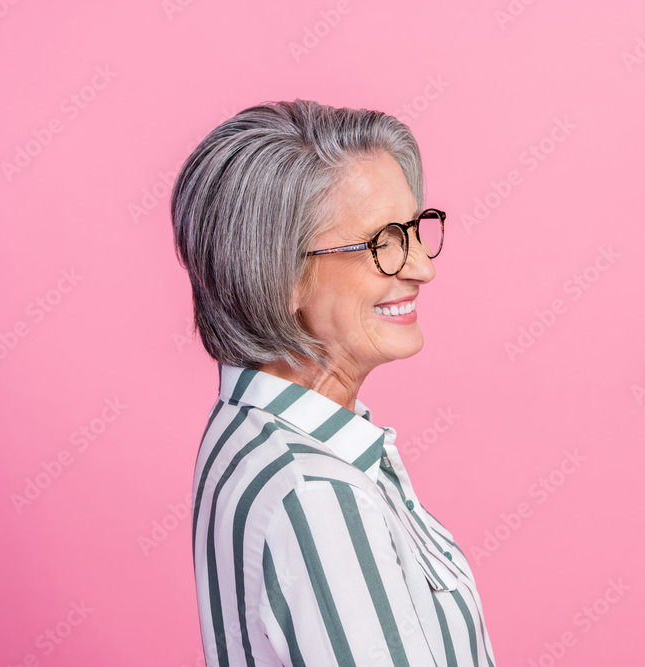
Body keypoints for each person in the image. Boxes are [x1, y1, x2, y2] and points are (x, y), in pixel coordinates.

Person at [171, 99, 495, 666]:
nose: (423, 267)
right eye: (384, 243)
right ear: (281, 277)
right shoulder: (317, 492)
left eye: (416, 230)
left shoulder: (252, 427)